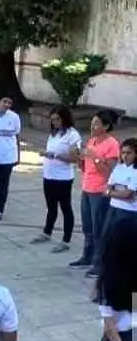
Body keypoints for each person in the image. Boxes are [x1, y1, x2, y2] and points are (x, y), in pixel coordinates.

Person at [70, 111, 120, 277]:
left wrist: (96, 158)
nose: (92, 126)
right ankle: (88, 256)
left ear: (106, 126)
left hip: (100, 191)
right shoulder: (92, 141)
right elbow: (86, 168)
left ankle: (100, 263)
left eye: (97, 123)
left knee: (99, 228)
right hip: (87, 188)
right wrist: (78, 158)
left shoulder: (112, 145)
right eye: (92, 122)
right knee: (88, 226)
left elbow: (110, 173)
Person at [30, 105, 81, 253]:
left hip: (63, 178)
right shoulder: (53, 134)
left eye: (57, 119)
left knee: (65, 208)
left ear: (64, 118)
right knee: (51, 207)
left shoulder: (72, 135)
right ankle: (47, 232)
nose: (55, 122)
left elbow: (74, 158)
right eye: (52, 120)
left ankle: (66, 240)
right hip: (49, 175)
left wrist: (55, 155)